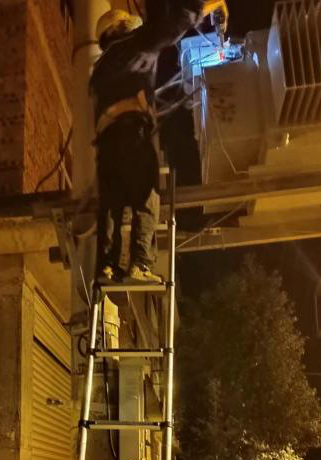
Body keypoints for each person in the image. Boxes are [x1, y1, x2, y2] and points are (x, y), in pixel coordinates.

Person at [91, 2, 227, 284]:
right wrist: (208, 5)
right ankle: (140, 263)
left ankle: (106, 266)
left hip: (106, 144)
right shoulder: (133, 47)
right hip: (132, 135)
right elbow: (171, 26)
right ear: (121, 28)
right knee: (146, 198)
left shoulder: (99, 69)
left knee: (112, 206)